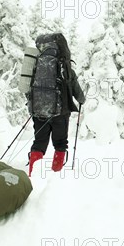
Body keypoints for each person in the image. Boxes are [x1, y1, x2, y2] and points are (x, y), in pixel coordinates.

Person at [18, 33, 85, 176]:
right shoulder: (64, 66)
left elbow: (27, 86)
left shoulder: (35, 64)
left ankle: (33, 174)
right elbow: (76, 90)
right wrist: (81, 100)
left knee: (39, 142)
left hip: (38, 112)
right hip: (60, 113)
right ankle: (55, 175)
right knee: (60, 143)